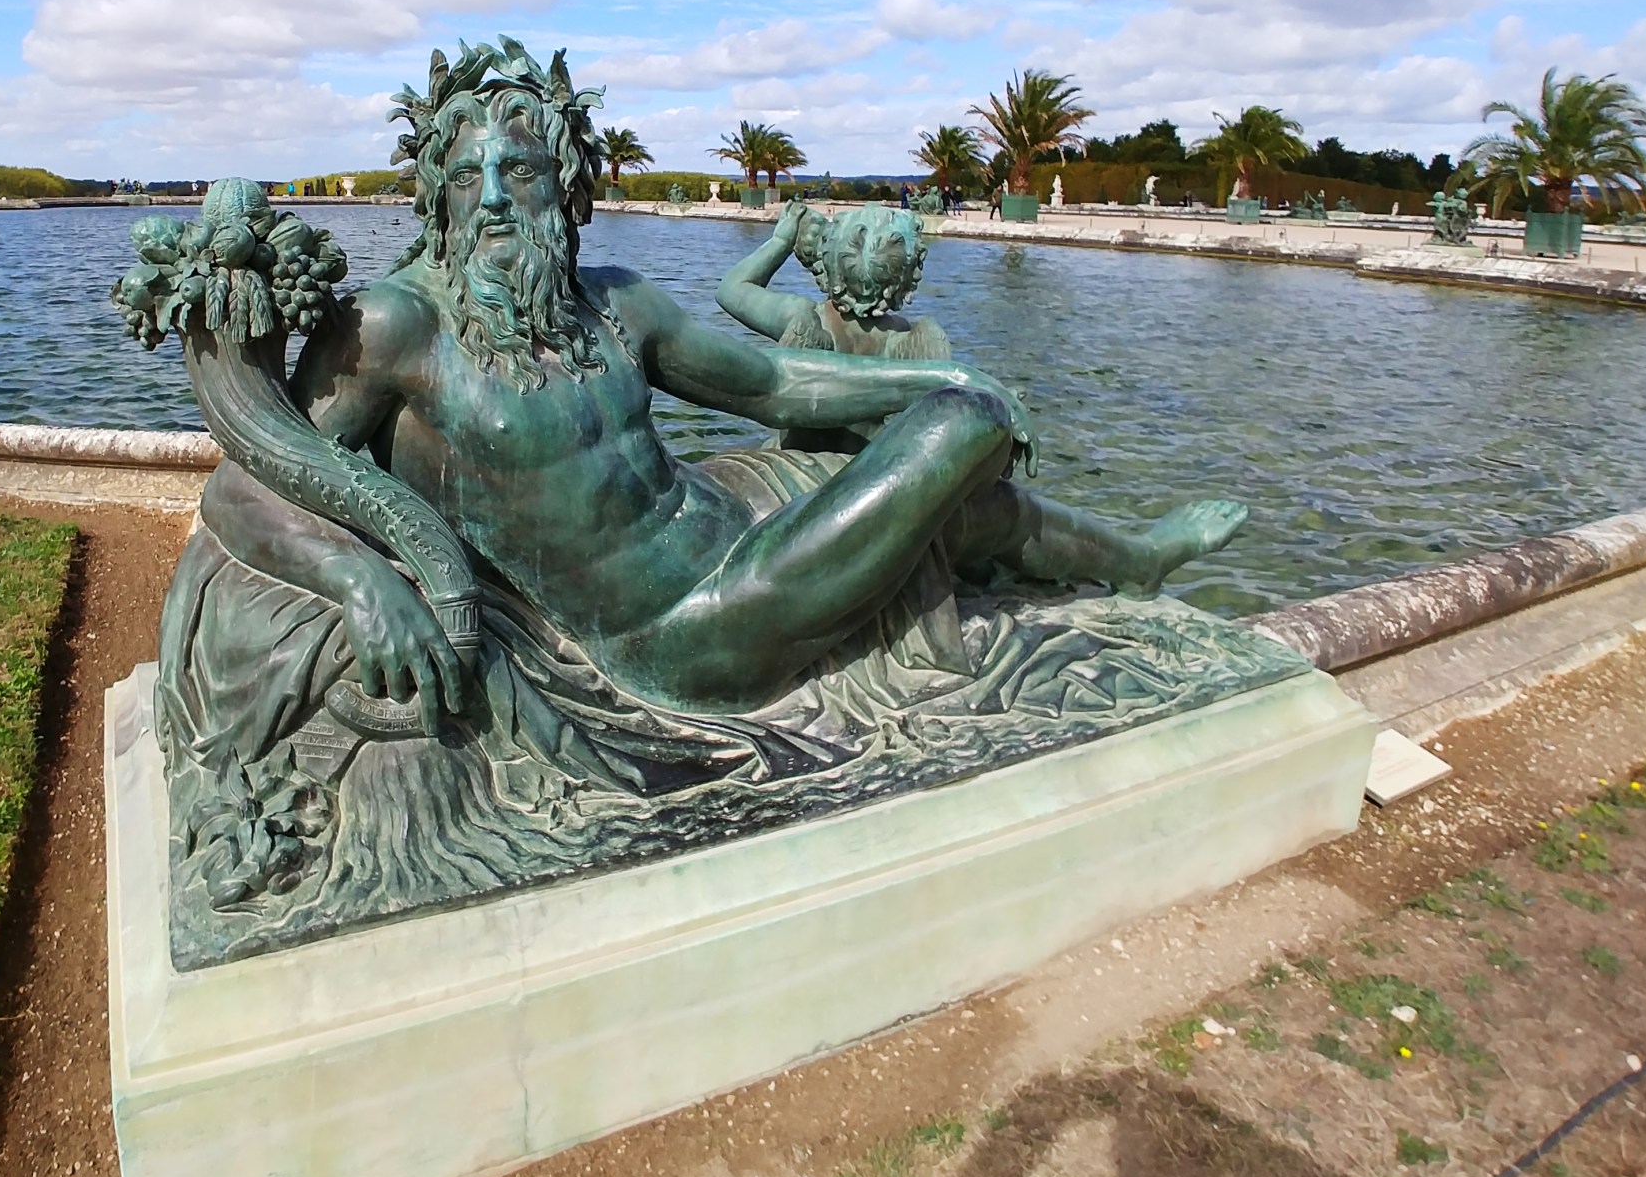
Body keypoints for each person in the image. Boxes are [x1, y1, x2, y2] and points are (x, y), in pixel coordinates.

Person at [193, 42, 1245, 723]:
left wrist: (933, 366)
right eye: (470, 178)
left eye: (523, 171)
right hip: (692, 631)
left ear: (569, 185)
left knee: (959, 502)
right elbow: (250, 480)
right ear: (435, 193)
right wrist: (363, 582)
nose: (499, 200)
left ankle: (1137, 559)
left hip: (737, 523)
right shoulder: (395, 328)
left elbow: (779, 384)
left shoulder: (614, 301)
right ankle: (1114, 541)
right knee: (962, 428)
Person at [714, 200, 948, 452]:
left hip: (799, 455)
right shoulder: (905, 338)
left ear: (829, 264)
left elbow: (731, 289)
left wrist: (780, 243)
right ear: (906, 277)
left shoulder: (806, 317)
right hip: (860, 460)